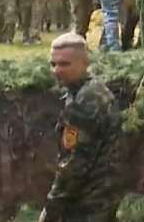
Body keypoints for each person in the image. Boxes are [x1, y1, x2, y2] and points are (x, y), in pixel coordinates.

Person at [40, 33, 124, 222]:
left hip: (89, 202)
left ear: (84, 63)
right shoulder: (89, 91)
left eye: (64, 64)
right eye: (53, 64)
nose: (57, 70)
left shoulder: (86, 101)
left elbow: (74, 164)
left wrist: (51, 208)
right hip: (101, 196)